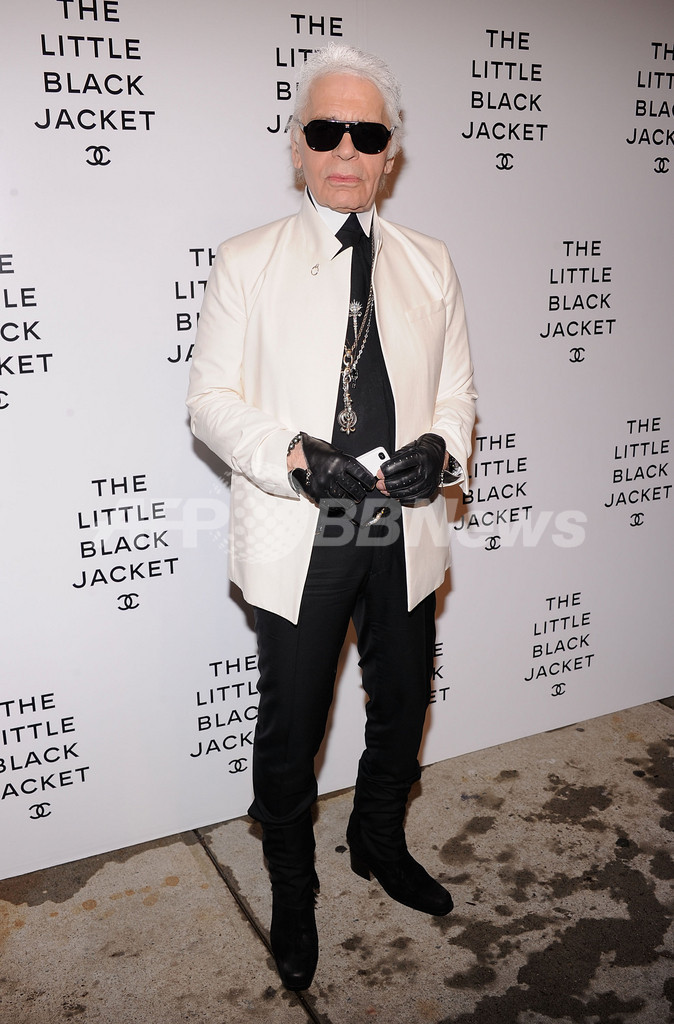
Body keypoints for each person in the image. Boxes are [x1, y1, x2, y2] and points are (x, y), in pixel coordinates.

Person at [187, 43, 477, 991]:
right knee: (293, 722)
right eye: (325, 130)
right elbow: (209, 401)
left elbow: (458, 395)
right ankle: (294, 885)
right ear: (297, 147)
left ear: (391, 151)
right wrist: (296, 457)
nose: (346, 148)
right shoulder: (247, 261)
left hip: (404, 522)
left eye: (366, 133)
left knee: (404, 702)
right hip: (301, 525)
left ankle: (378, 840)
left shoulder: (432, 262)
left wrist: (444, 449)